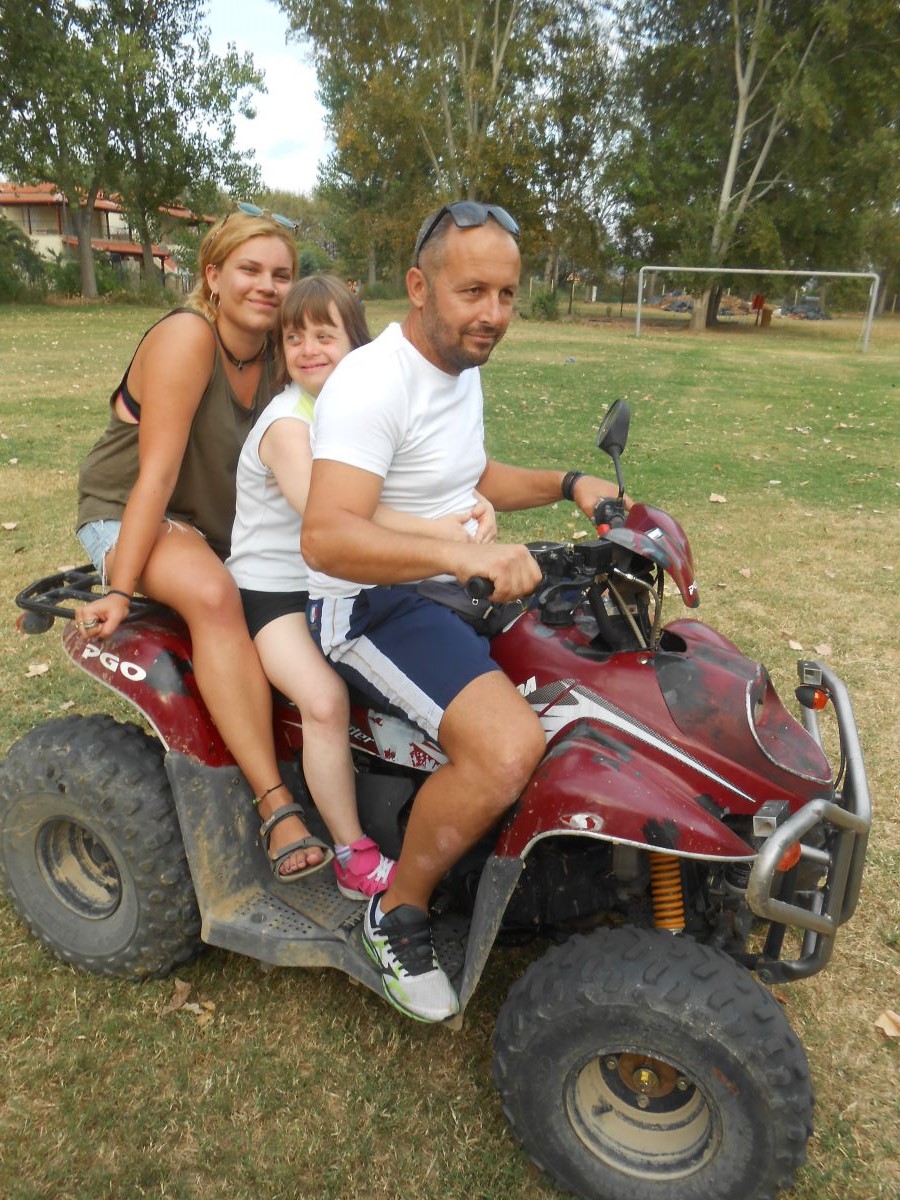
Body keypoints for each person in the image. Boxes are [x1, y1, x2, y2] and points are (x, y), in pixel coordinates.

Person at [301, 200, 623, 1021]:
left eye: (507, 294)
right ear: (419, 287)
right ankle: (395, 912)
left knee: (597, 676)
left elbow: (468, 475)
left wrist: (569, 484)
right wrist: (464, 556)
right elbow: (328, 538)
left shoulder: (458, 366)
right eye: (473, 291)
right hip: (368, 602)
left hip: (444, 580)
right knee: (508, 747)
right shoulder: (371, 382)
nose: (494, 314)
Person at [73, 206, 333, 884]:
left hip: (220, 526)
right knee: (215, 595)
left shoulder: (284, 353)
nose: (267, 286)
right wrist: (120, 588)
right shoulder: (187, 337)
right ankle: (275, 803)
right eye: (250, 269)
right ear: (212, 276)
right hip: (132, 511)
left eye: (282, 274)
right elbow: (156, 475)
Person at [226, 273, 497, 898]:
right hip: (278, 592)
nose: (308, 349)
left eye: (325, 335)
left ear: (358, 344)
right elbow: (334, 516)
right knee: (324, 701)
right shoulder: (288, 425)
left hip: (341, 579)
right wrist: (443, 535)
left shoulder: (355, 408)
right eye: (294, 337)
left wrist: (471, 503)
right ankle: (353, 853)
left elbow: (418, 482)